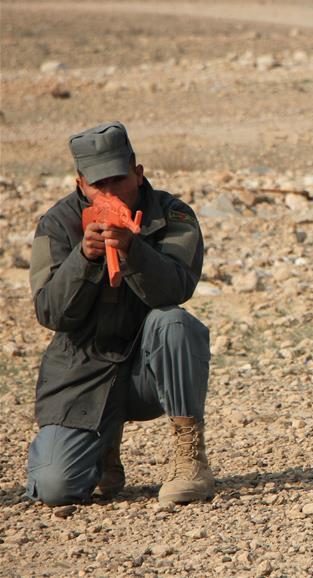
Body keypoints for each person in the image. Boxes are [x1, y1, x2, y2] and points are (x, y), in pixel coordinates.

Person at [26, 121, 214, 505]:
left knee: (173, 321)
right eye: (99, 185)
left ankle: (189, 458)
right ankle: (103, 448)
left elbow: (177, 288)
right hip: (84, 368)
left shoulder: (172, 215)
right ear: (80, 184)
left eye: (118, 179)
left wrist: (134, 249)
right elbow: (49, 312)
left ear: (138, 172)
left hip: (148, 367)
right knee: (56, 489)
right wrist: (84, 258)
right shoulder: (58, 223)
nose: (110, 192)